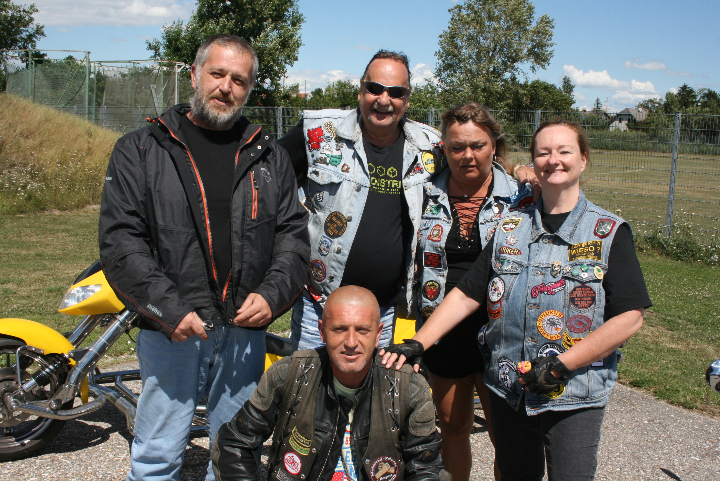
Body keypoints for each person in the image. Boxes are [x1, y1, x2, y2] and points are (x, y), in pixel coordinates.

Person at [383, 118, 651, 480]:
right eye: (543, 152)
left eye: (564, 151)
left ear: (583, 159)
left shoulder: (608, 232)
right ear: (534, 162)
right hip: (509, 388)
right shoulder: (511, 226)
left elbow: (630, 316)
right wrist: (419, 341)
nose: (553, 160)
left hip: (573, 392)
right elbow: (467, 293)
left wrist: (560, 365)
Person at [99, 34, 310, 481]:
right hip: (173, 330)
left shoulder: (269, 155)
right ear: (195, 75)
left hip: (243, 331)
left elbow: (293, 237)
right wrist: (168, 310)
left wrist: (272, 296)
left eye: (239, 80)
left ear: (249, 89)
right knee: (157, 455)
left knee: (234, 453)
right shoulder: (141, 149)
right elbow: (121, 243)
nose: (226, 87)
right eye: (217, 73)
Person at [278, 50, 444, 351]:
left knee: (373, 384)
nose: (384, 99)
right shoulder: (317, 132)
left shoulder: (430, 147)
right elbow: (264, 176)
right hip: (319, 307)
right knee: (308, 382)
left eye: (396, 92)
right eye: (375, 88)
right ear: (361, 90)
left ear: (407, 99)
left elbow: (475, 173)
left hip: (383, 312)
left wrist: (523, 173)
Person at [211, 286, 447, 481]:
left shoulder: (409, 387)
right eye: (339, 329)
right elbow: (233, 442)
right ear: (322, 331)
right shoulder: (288, 374)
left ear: (378, 334)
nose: (351, 342)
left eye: (362, 330)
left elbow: (427, 469)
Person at [415, 103, 532, 481]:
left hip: (502, 333)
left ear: (494, 146)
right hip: (443, 329)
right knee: (452, 427)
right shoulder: (423, 192)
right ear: (444, 149)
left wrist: (525, 171)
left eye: (478, 146)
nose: (468, 155)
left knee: (505, 436)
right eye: (457, 147)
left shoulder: (521, 196)